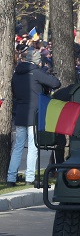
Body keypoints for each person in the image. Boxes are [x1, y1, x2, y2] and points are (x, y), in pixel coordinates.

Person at [7, 49, 61, 188]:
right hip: (34, 114)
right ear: (36, 60)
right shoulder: (36, 73)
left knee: (18, 147)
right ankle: (30, 177)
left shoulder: (16, 75)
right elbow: (55, 83)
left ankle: (11, 176)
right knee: (33, 146)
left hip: (20, 113)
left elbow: (14, 92)